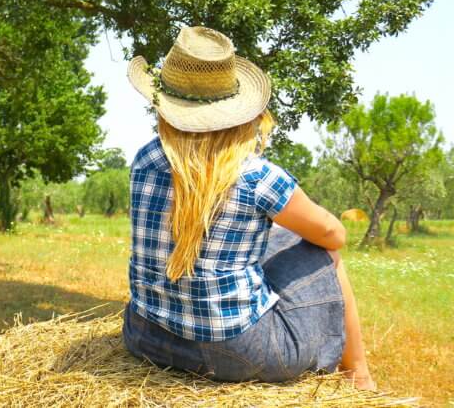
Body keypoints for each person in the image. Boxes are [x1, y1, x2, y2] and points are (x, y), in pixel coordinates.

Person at [121, 26, 375, 390]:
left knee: (275, 239)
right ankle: (359, 374)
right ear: (238, 113)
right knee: (326, 251)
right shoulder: (258, 177)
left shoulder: (145, 159)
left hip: (144, 337)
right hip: (232, 352)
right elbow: (335, 233)